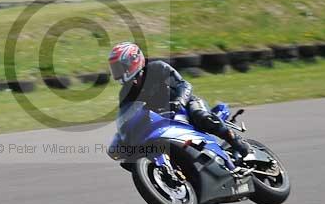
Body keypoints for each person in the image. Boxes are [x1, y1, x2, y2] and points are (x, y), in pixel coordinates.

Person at [108, 42, 252, 167]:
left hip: (186, 104)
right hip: (162, 119)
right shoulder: (125, 92)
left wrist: (180, 101)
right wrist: (123, 135)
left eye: (120, 67)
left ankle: (235, 141)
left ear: (133, 61)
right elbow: (127, 116)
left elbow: (184, 85)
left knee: (202, 116)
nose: (118, 72)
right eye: (115, 68)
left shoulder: (157, 68)